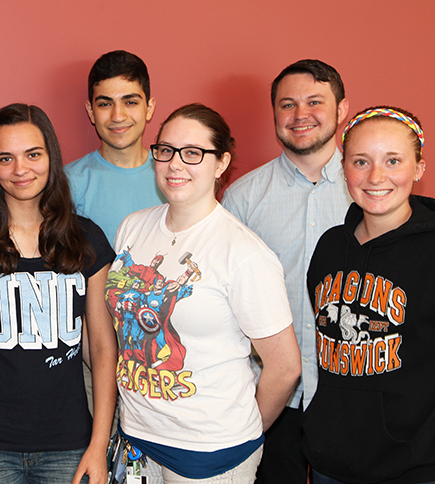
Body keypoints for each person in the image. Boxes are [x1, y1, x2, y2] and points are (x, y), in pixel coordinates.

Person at [109, 103, 301, 483]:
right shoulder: (133, 228)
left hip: (209, 452)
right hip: (137, 438)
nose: (175, 164)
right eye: (165, 150)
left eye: (193, 153)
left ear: (221, 163)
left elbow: (286, 367)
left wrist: (241, 433)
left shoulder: (244, 253)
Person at [0, 103, 118, 484]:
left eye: (33, 155)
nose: (21, 170)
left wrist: (98, 445)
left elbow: (102, 347)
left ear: (51, 157)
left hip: (70, 444)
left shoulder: (88, 240)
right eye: (6, 158)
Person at [221, 59, 352, 483]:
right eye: (287, 104)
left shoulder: (370, 190)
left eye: (315, 102)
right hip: (270, 397)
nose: (300, 115)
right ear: (274, 112)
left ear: (342, 109)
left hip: (351, 393)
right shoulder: (242, 199)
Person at [305, 106, 435, 484]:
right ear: (343, 168)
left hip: (414, 467)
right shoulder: (330, 246)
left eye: (393, 160)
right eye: (361, 161)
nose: (376, 176)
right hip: (331, 462)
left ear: (418, 168)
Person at [65, 50, 166, 246]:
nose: (118, 116)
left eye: (130, 102)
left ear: (149, 108)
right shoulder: (67, 184)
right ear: (91, 112)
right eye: (105, 104)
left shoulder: (173, 174)